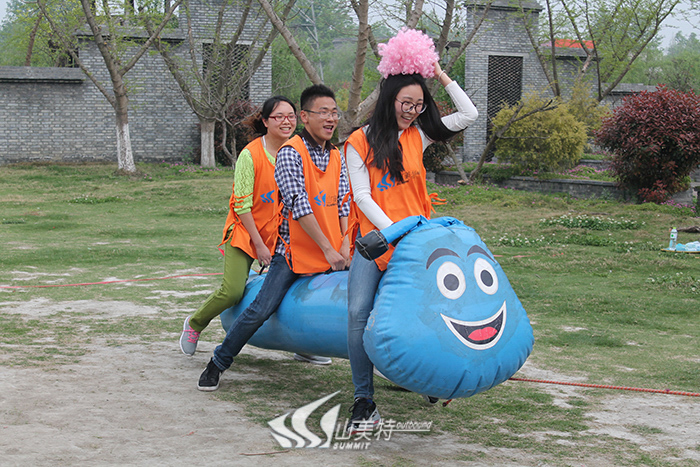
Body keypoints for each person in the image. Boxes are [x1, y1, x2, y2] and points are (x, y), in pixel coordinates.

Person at [344, 29, 479, 433]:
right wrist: (395, 233)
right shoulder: (358, 141)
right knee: (358, 314)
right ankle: (363, 399)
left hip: (418, 243)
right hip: (376, 245)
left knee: (432, 312)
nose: (412, 111)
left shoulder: (418, 135)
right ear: (389, 99)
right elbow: (362, 197)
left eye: (419, 105)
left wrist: (439, 74)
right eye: (406, 103)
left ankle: (430, 378)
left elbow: (470, 115)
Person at [197, 84, 351, 391]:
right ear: (305, 117)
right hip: (294, 253)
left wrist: (345, 243)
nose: (331, 118)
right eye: (323, 112)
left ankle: (406, 374)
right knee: (261, 310)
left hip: (334, 251)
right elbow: (298, 205)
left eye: (334, 112)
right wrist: (328, 250)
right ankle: (219, 361)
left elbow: (344, 202)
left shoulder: (336, 155)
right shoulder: (290, 153)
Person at [179, 95, 331, 366]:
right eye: (279, 117)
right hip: (246, 234)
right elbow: (242, 205)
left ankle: (303, 345)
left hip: (280, 238)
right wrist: (259, 245)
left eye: (290, 116)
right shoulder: (251, 154)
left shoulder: (300, 152)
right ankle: (195, 323)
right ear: (265, 121)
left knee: (297, 290)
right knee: (232, 291)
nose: (286, 122)